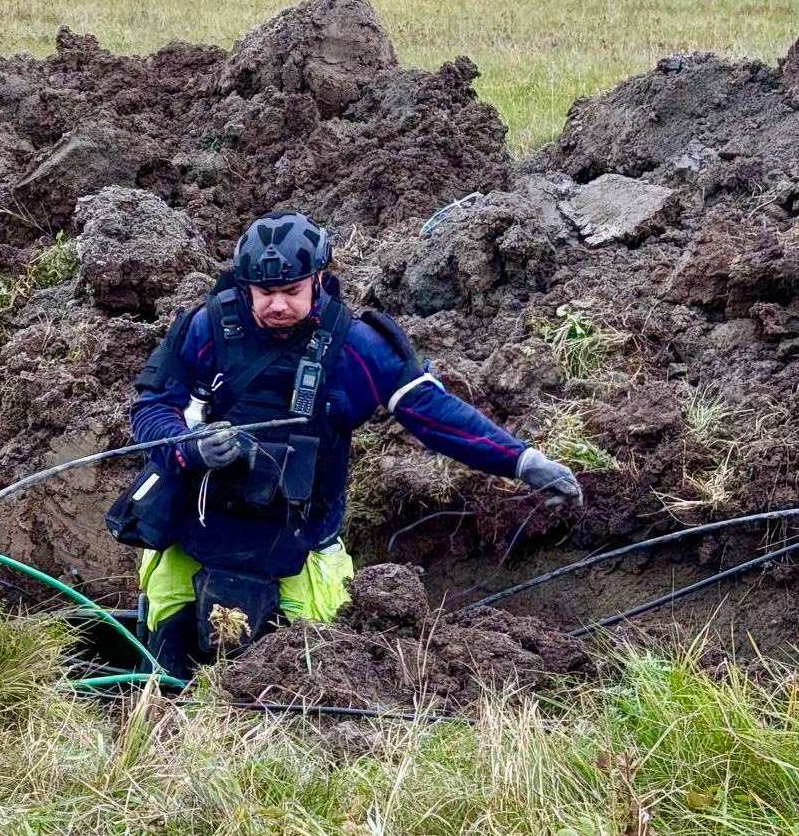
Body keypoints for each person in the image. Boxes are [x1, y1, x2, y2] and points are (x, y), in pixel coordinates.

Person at [120, 211, 581, 679]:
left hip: (300, 543)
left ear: (319, 279)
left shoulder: (357, 346)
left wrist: (521, 460)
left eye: (292, 291)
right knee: (165, 675)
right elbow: (151, 409)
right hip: (193, 536)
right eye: (265, 294)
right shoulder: (204, 329)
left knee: (308, 677)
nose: (277, 305)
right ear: (245, 286)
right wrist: (188, 446)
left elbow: (433, 413)